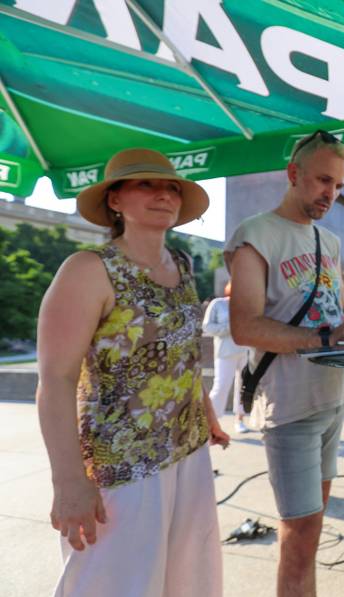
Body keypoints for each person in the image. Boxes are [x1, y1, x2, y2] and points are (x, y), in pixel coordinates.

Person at [36, 148, 230, 596]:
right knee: (116, 586)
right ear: (115, 201)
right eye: (146, 184)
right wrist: (68, 482)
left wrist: (206, 414)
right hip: (121, 462)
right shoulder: (88, 269)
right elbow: (56, 379)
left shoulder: (181, 264)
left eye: (171, 187)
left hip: (187, 451)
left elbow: (181, 357)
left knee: (188, 582)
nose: (163, 194)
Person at [226, 130, 344, 597]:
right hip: (288, 406)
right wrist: (327, 335)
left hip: (331, 398)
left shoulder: (329, 241)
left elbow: (331, 316)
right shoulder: (255, 235)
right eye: (323, 181)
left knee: (312, 533)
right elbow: (246, 327)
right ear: (293, 174)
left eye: (339, 186)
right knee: (297, 540)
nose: (331, 194)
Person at [203, 280, 251, 433]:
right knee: (221, 385)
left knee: (243, 386)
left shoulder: (247, 305)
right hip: (225, 352)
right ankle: (210, 420)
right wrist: (229, 327)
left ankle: (240, 419)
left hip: (245, 350)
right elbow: (207, 327)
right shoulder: (218, 304)